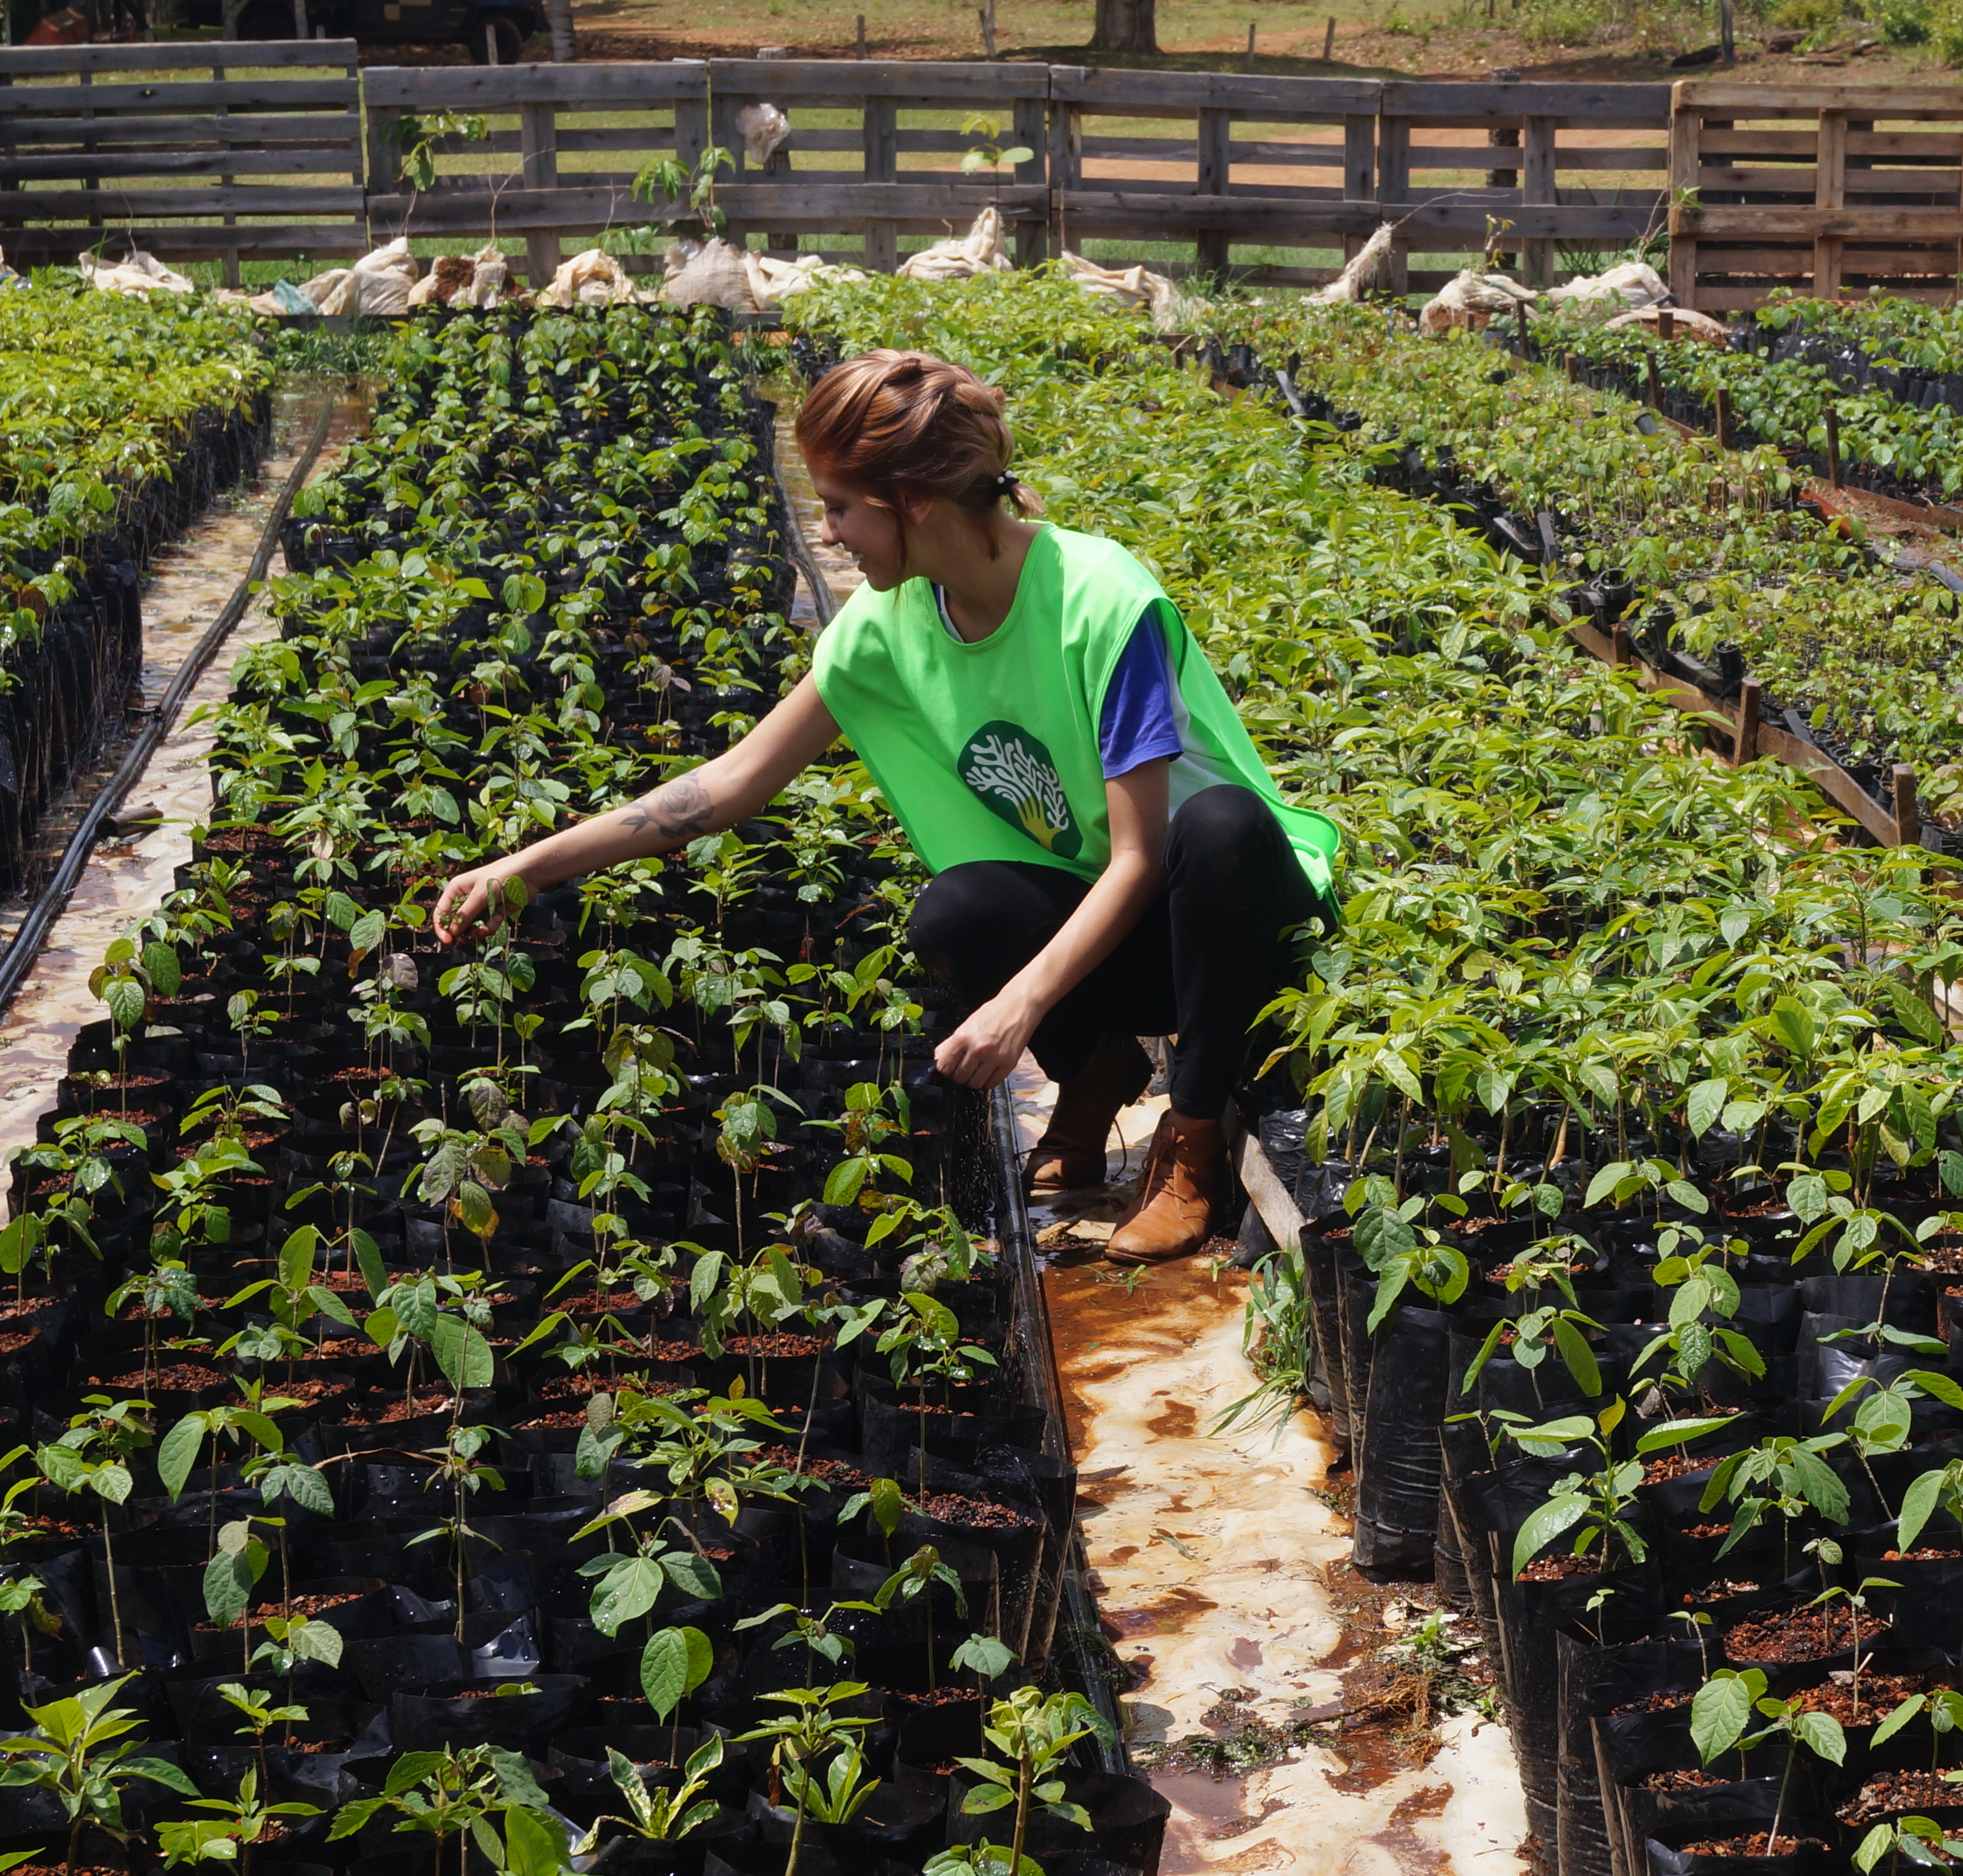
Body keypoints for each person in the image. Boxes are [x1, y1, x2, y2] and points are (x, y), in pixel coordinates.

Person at [433, 351, 1338, 1265]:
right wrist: (525, 868)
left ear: (912, 500)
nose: (826, 534)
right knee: (958, 911)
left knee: (1220, 824)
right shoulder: (888, 624)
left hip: (1226, 922)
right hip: (1124, 927)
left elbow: (1143, 859)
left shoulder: (1101, 601)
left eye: (837, 506)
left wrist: (1019, 1005)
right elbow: (730, 783)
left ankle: (1190, 1151)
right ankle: (1098, 1074)